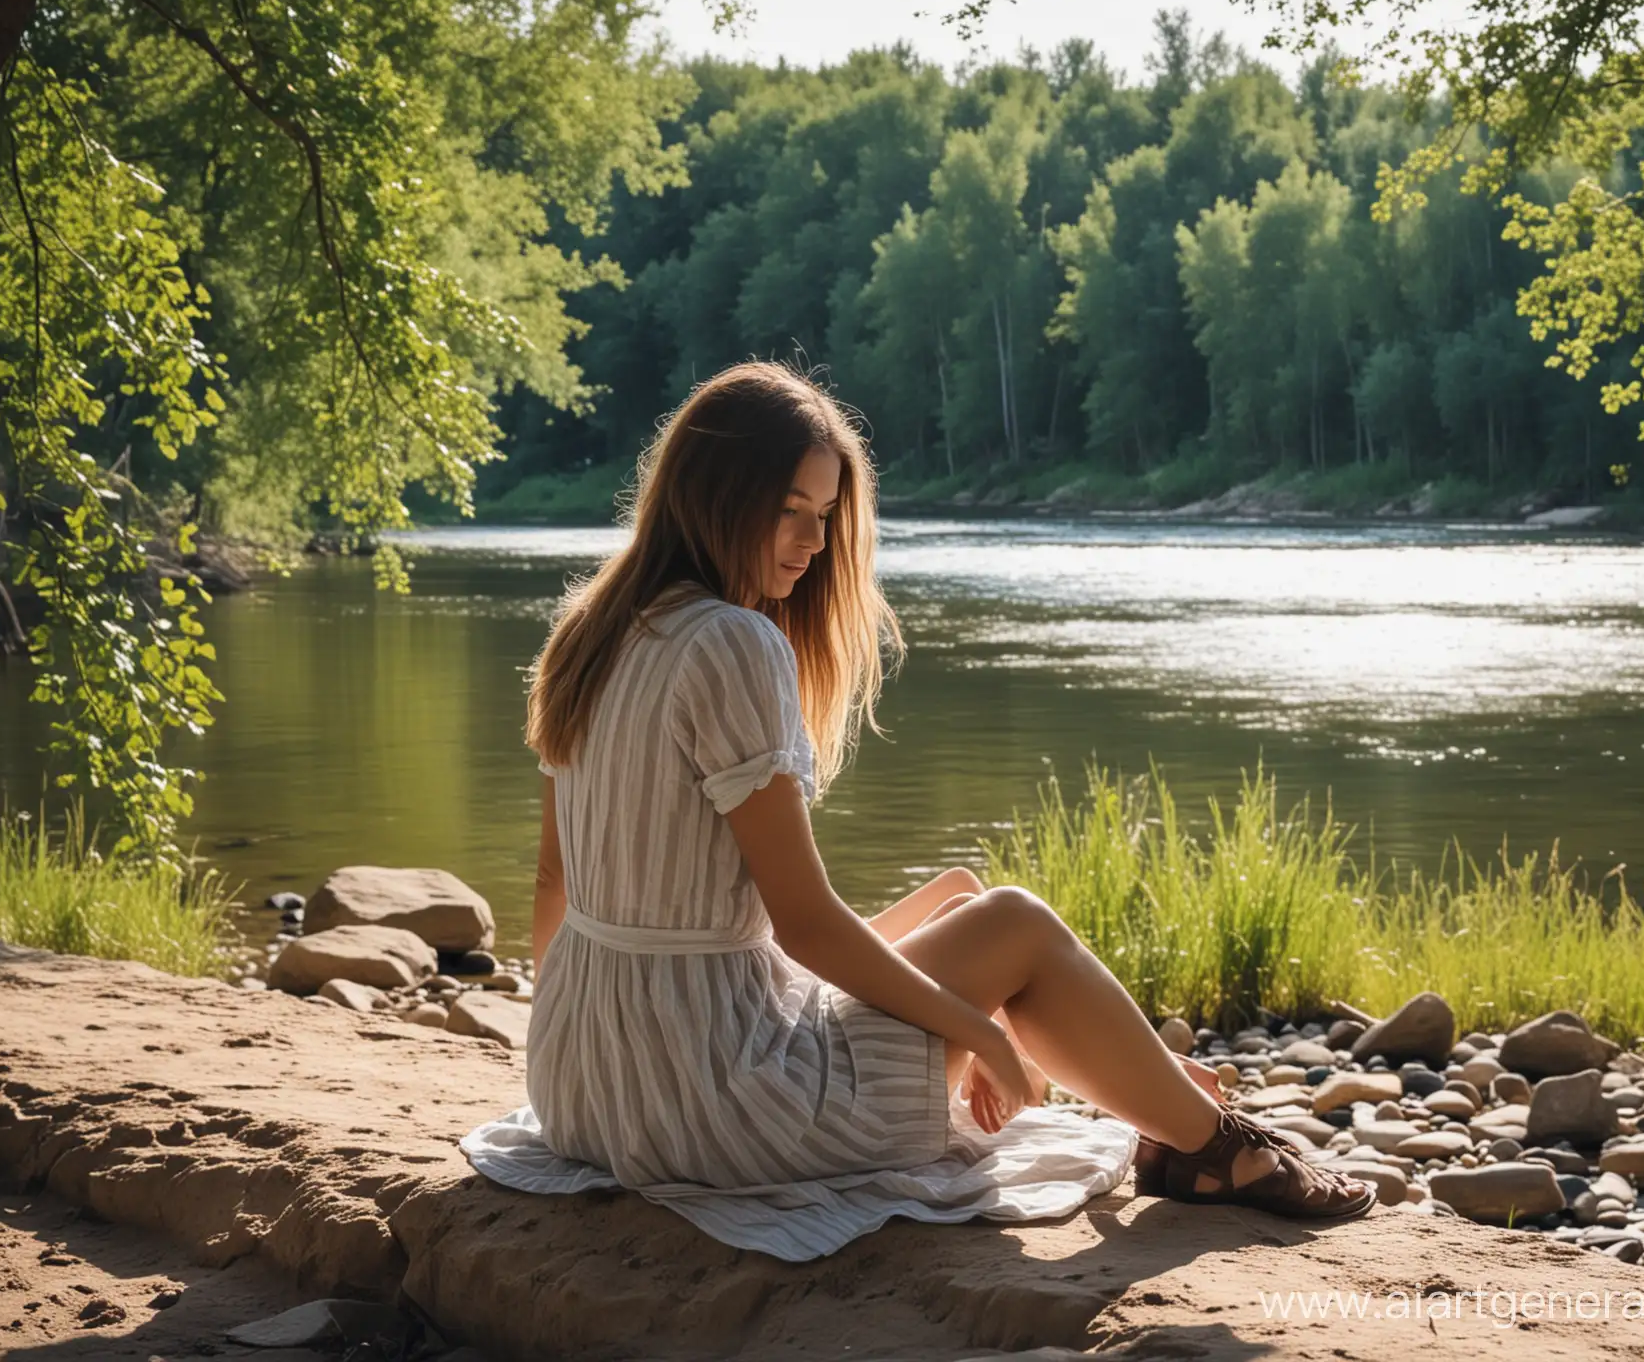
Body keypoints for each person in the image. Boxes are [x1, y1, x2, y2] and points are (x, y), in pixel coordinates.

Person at [460, 361, 1371, 1258]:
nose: (813, 544)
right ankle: (1213, 1150)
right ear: (716, 491)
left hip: (582, 1085)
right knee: (1013, 923)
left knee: (962, 898)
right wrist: (977, 1031)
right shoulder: (730, 642)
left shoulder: (592, 623)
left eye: (824, 517)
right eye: (790, 509)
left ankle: (1166, 1096)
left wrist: (585, 1044)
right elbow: (805, 925)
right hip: (715, 1103)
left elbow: (556, 880)